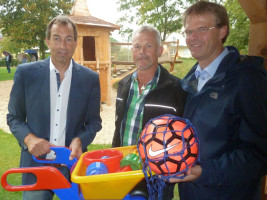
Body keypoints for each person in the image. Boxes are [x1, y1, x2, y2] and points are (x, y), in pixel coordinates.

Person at [167, 1, 267, 200]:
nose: (192, 38)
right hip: (192, 191)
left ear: (222, 31)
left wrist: (206, 172)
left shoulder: (247, 79)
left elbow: (259, 154)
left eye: (202, 29)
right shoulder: (190, 79)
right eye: (188, 31)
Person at [7, 15, 102, 200]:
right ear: (47, 41)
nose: (62, 46)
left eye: (68, 39)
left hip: (73, 165)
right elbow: (14, 118)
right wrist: (29, 139)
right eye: (57, 38)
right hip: (36, 165)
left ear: (75, 43)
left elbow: (93, 123)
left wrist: (80, 140)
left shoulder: (90, 79)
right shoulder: (26, 74)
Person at [112, 25, 187, 199]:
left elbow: (183, 138)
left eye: (148, 46)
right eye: (137, 46)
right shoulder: (123, 85)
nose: (142, 52)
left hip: (156, 178)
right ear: (132, 50)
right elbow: (119, 129)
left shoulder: (176, 89)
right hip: (122, 172)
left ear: (160, 50)